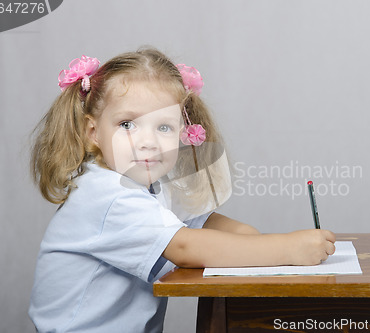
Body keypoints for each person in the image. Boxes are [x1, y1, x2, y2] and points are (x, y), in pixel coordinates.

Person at [29, 48, 336, 333]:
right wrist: (286, 250)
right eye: (127, 124)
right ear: (93, 131)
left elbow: (203, 222)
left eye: (163, 127)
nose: (147, 141)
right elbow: (185, 247)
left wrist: (254, 240)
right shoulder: (108, 194)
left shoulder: (147, 183)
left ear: (182, 133)